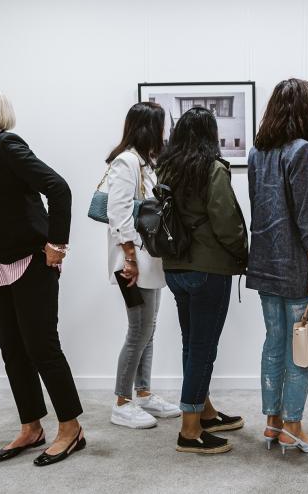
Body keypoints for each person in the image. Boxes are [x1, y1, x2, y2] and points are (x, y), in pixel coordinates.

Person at [0, 84, 85, 466]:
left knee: (42, 347)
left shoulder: (7, 146)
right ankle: (31, 426)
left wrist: (57, 244)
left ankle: (71, 428)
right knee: (13, 351)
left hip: (29, 264)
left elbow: (57, 188)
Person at [157, 106, 248, 455]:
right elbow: (226, 221)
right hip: (208, 269)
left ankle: (205, 411)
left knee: (191, 344)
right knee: (202, 350)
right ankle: (190, 429)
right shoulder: (211, 169)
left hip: (175, 269)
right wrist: (242, 252)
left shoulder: (167, 168)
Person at [247, 78, 308, 455]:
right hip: (297, 263)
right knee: (302, 346)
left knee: (275, 342)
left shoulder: (256, 153)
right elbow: (307, 216)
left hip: (264, 261)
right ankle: (293, 426)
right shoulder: (302, 151)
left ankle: (272, 422)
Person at [106, 102, 180, 429]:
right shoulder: (126, 163)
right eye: (161, 126)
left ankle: (144, 393)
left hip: (148, 262)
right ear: (149, 127)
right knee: (139, 330)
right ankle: (122, 402)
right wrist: (130, 260)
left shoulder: (144, 162)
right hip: (132, 263)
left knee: (148, 330)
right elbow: (118, 214)